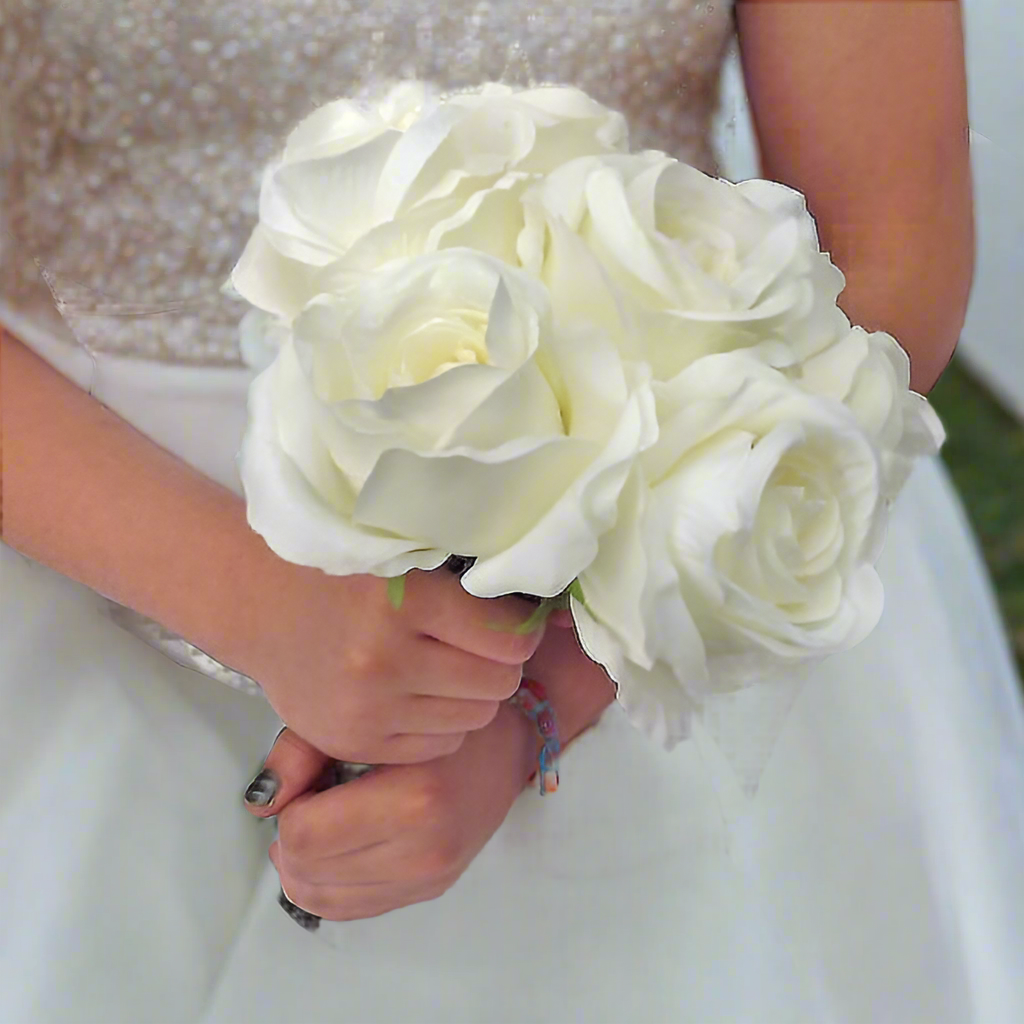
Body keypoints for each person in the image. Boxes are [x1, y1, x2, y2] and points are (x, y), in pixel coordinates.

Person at [2, 1, 1023, 1021]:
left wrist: (542, 687)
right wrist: (249, 593)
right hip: (73, 521)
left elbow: (889, 247)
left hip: (663, 537)